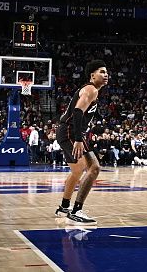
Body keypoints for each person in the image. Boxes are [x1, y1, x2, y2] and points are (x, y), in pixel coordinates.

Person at [54, 60, 108, 225]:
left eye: (107, 72)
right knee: (94, 168)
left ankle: (64, 207)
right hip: (71, 131)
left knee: (77, 171)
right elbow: (78, 111)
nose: (106, 75)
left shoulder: (91, 91)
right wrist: (78, 139)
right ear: (92, 75)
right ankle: (76, 211)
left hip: (67, 131)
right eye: (102, 72)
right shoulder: (90, 89)